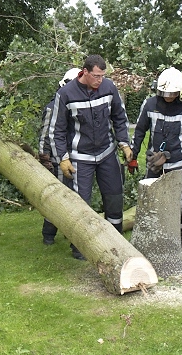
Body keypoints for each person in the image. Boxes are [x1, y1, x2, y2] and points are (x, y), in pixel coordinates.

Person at [49, 55, 133, 260]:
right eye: (96, 76)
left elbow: (120, 118)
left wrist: (124, 143)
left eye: (103, 76)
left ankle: (116, 238)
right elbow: (56, 131)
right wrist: (63, 158)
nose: (100, 80)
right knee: (81, 203)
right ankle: (80, 247)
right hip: (80, 157)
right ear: (84, 72)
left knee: (114, 196)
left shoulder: (109, 88)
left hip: (106, 153)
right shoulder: (65, 94)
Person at [129, 67, 182, 254]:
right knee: (150, 201)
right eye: (164, 93)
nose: (167, 96)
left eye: (171, 93)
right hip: (154, 163)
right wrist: (133, 156)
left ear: (180, 91)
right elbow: (139, 131)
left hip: (179, 164)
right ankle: (152, 238)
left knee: (180, 204)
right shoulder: (150, 104)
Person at [39, 68, 81, 245]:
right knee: (57, 199)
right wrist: (45, 157)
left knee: (74, 197)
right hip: (57, 160)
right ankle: (48, 235)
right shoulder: (52, 107)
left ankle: (71, 232)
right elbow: (45, 135)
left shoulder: (76, 105)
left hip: (76, 158)